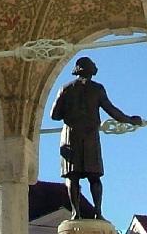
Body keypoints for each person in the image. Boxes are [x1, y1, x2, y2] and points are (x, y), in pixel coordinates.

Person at [50, 56, 142, 219]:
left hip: (71, 134)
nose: (95, 67)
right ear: (88, 69)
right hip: (89, 135)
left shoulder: (66, 88)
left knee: (73, 175)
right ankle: (97, 212)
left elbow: (55, 115)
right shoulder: (97, 89)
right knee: (94, 176)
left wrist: (71, 113)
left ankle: (76, 213)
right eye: (93, 65)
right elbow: (112, 111)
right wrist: (130, 120)